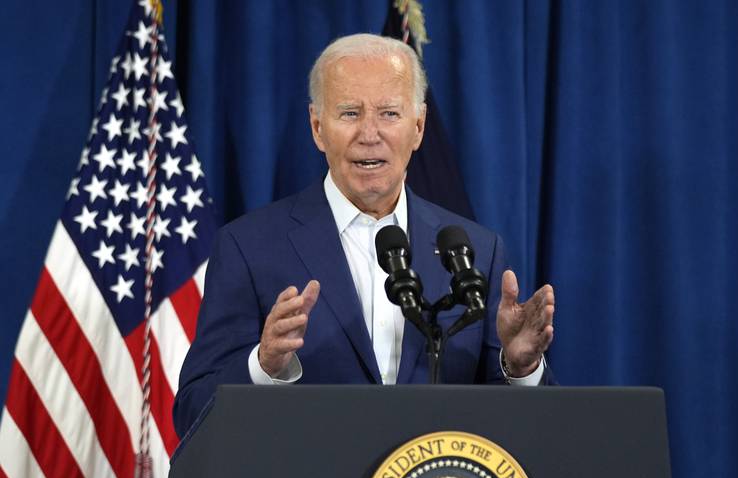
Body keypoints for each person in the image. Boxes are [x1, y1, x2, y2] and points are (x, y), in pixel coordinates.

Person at [173, 34, 556, 438]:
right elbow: (193, 412)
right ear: (318, 128)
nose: (369, 134)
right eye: (350, 113)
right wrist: (263, 366)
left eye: (389, 113)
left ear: (418, 127)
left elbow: (526, 430)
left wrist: (520, 369)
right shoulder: (249, 247)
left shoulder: (474, 251)